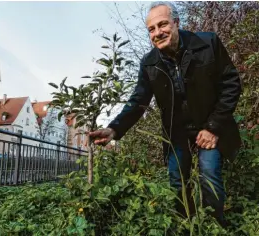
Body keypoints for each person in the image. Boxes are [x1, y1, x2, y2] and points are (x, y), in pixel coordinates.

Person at [88, 1, 242, 226]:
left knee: (209, 174)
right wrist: (115, 128)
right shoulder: (149, 63)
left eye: (162, 25)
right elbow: (138, 101)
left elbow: (231, 84)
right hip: (176, 133)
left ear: (176, 23)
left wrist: (213, 127)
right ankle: (186, 226)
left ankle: (214, 227)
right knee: (177, 182)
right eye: (151, 29)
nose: (158, 33)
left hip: (209, 125)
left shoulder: (207, 43)